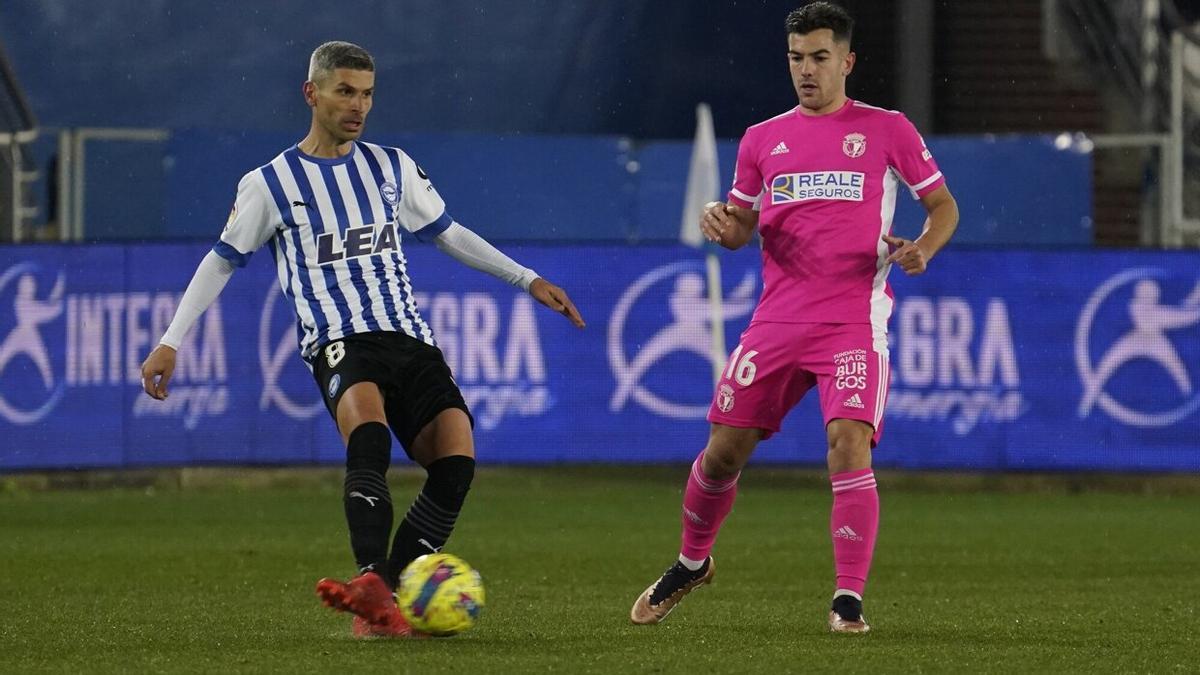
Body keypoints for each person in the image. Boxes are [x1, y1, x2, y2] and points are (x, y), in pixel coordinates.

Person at [140, 41, 585, 638]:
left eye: (367, 93)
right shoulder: (270, 184)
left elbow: (448, 233)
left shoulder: (391, 167)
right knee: (368, 436)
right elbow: (221, 261)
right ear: (312, 93)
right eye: (345, 91)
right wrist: (171, 340)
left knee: (455, 466)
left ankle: (382, 596)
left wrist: (526, 279)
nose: (359, 105)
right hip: (339, 338)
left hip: (410, 337)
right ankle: (372, 574)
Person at [629, 2, 958, 634]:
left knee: (848, 441)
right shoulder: (761, 139)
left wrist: (924, 247)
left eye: (819, 57)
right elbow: (740, 226)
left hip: (852, 323)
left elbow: (943, 206)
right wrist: (721, 225)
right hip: (777, 322)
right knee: (722, 455)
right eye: (795, 58)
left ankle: (847, 599)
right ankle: (691, 563)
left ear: (847, 60)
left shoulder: (887, 130)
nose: (806, 70)